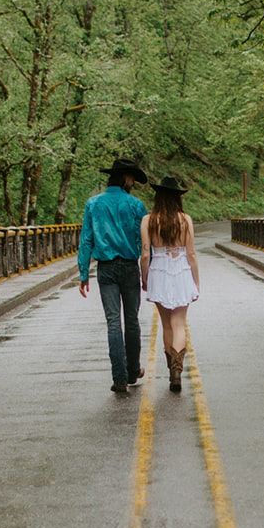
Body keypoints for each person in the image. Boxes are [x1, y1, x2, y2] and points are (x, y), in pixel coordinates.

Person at [78, 157, 149, 394]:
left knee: (113, 323)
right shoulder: (136, 205)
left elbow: (87, 239)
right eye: (132, 178)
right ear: (126, 178)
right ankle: (132, 370)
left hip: (106, 268)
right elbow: (144, 242)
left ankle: (119, 378)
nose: (133, 183)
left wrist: (83, 273)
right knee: (132, 320)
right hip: (129, 266)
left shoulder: (93, 204)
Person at [140, 175, 200, 393]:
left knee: (166, 324)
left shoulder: (148, 220)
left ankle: (171, 370)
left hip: (159, 271)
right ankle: (178, 371)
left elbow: (145, 254)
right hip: (181, 269)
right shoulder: (185, 220)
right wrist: (196, 281)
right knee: (179, 324)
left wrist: (145, 277)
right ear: (177, 198)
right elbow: (191, 253)